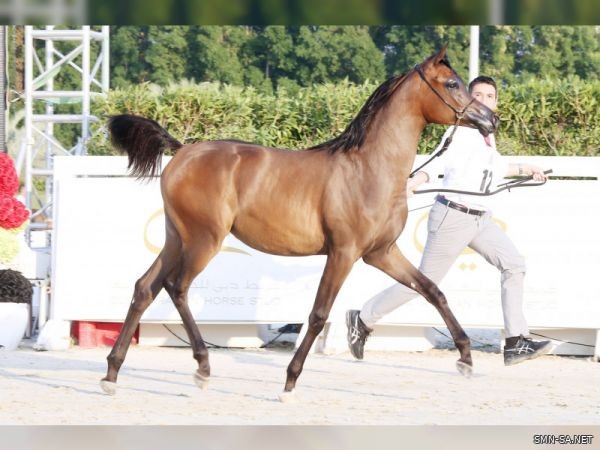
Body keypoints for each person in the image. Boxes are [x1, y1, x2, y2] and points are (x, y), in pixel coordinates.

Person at [346, 75, 551, 366]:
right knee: (420, 283)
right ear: (469, 98)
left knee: (514, 264)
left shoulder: (486, 135)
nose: (482, 99)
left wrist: (527, 168)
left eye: (489, 96)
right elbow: (439, 161)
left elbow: (498, 167)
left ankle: (517, 341)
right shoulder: (463, 131)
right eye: (476, 94)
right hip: (453, 217)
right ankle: (363, 319)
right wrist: (413, 182)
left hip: (480, 219)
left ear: (496, 101)